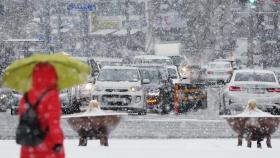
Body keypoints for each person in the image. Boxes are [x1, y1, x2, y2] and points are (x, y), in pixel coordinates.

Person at [18, 63, 65, 158]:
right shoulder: (52, 96)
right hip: (48, 146)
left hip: (29, 145)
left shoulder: (27, 95)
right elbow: (53, 123)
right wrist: (58, 142)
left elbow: (22, 118)